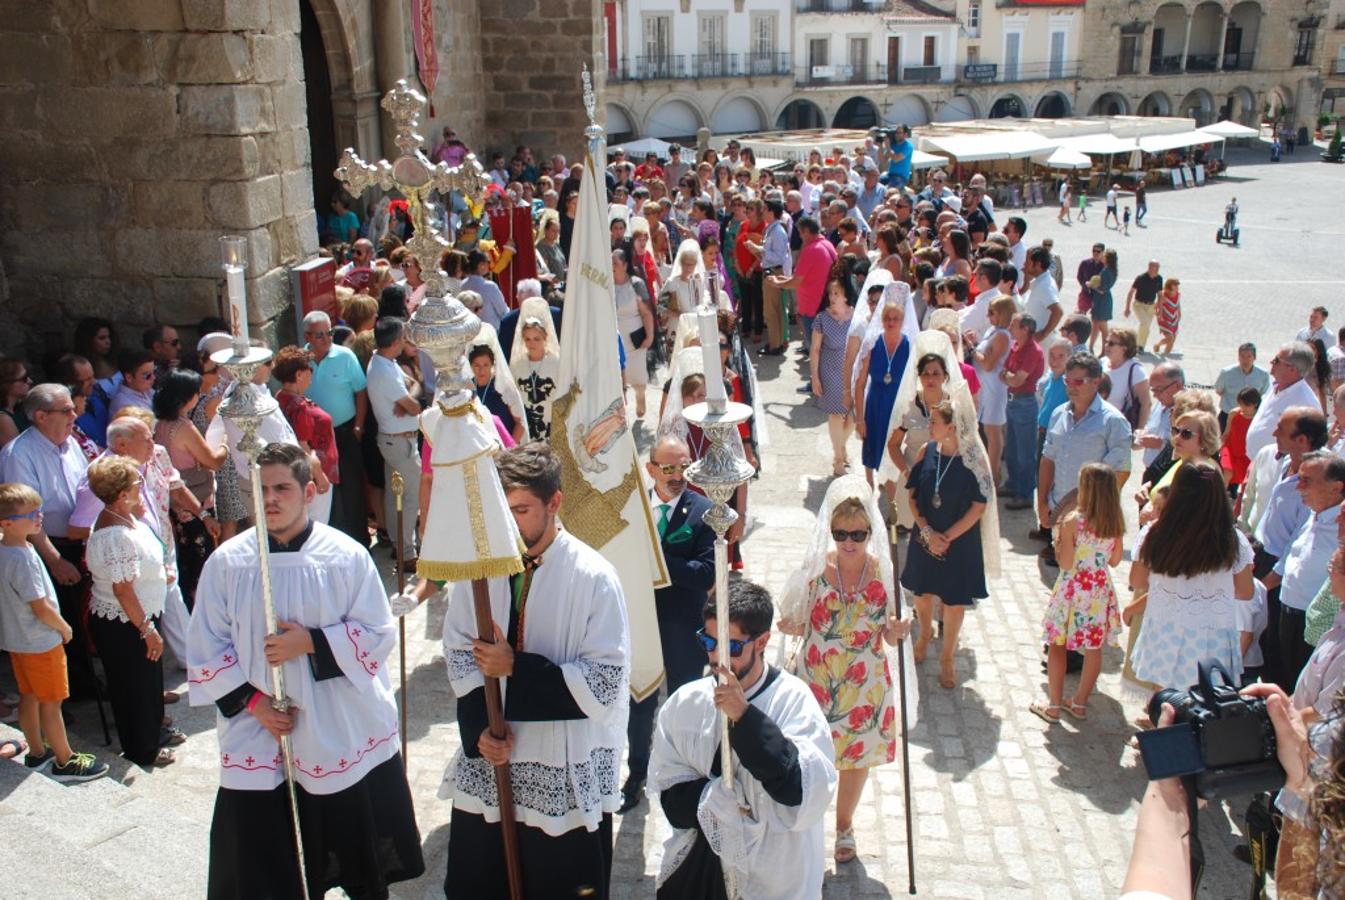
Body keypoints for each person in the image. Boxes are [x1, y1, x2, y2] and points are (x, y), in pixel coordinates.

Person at [188, 442, 423, 896]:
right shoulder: (228, 563)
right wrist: (254, 704)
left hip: (337, 725)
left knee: (352, 848)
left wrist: (311, 643)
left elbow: (377, 633)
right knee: (269, 862)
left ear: (309, 491)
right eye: (262, 490)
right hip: (260, 730)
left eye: (282, 488)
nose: (271, 499)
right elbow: (206, 647)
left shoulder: (346, 555)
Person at [442, 443, 629, 899]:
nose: (511, 523)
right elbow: (459, 654)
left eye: (522, 510)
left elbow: (605, 683)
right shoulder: (480, 572)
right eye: (503, 511)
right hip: (493, 765)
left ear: (555, 503)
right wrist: (482, 732)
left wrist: (516, 669)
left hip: (559, 768)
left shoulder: (594, 577)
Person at [648, 580, 837, 898]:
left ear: (762, 641)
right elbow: (671, 801)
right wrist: (718, 803)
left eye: (732, 647)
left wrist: (745, 718)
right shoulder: (684, 704)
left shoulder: (794, 702)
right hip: (702, 871)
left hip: (773, 877)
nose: (718, 656)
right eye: (708, 642)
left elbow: (799, 791)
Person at [778, 476, 912, 864]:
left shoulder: (883, 575)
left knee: (856, 760)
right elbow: (801, 622)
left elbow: (888, 634)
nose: (849, 542)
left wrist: (898, 631)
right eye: (840, 534)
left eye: (857, 534)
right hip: (817, 682)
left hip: (866, 684)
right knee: (814, 757)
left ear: (870, 533)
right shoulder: (817, 571)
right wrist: (791, 625)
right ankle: (808, 825)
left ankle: (845, 826)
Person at [620, 436, 716, 814]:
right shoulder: (635, 510)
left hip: (683, 625)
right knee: (639, 703)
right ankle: (637, 774)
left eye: (683, 467)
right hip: (640, 622)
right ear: (651, 469)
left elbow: (705, 572)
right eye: (669, 467)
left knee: (684, 701)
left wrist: (656, 562)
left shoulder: (703, 511)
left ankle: (685, 773)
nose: (677, 475)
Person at [0, 482, 108, 781]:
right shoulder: (22, 559)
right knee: (52, 702)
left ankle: (37, 752)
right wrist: (63, 627)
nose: (39, 517)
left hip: (18, 641)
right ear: (7, 523)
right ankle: (65, 760)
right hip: (41, 641)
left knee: (29, 695)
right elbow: (40, 606)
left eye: (39, 510)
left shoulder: (6, 548)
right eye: (31, 514)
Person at [900, 376, 1000, 690]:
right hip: (925, 537)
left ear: (952, 427)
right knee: (923, 593)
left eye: (935, 421)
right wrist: (928, 531)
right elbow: (913, 495)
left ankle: (947, 656)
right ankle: (924, 635)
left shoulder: (974, 461)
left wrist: (948, 537)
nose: (930, 426)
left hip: (960, 542)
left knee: (955, 602)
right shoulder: (927, 452)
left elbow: (979, 506)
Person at [1126, 460, 1255, 692]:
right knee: (1204, 709)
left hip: (1165, 630)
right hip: (1213, 635)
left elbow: (1136, 580)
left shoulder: (1154, 533)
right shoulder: (1233, 540)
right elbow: (1245, 592)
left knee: (1165, 704)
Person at [0, 385, 95, 695]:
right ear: (41, 416)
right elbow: (27, 516)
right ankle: (60, 697)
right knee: (56, 622)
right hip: (48, 546)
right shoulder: (19, 454)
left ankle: (83, 684)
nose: (74, 415)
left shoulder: (71, 444)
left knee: (82, 623)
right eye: (65, 410)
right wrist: (55, 560)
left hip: (80, 540)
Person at [84, 454, 174, 767]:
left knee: (149, 681)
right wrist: (147, 630)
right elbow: (122, 590)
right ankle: (142, 748)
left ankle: (154, 732)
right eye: (136, 481)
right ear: (122, 493)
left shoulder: (124, 516)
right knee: (132, 687)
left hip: (139, 615)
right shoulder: (114, 535)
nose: (140, 484)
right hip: (125, 623)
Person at [1032, 463, 1124, 723]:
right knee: (1094, 648)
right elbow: (1115, 560)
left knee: (1058, 644)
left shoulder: (1074, 521)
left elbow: (1065, 563)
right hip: (1099, 590)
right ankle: (1080, 703)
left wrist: (1059, 540)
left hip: (1072, 589)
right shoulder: (1114, 522)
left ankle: (1053, 705)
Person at [1036, 354, 1133, 567]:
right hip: (1058, 509)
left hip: (1092, 518)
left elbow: (1121, 472)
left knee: (1086, 581)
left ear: (1096, 382)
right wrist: (1042, 502)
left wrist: (1095, 507)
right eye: (1067, 381)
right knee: (1063, 576)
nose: (1071, 387)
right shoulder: (1057, 414)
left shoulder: (1114, 421)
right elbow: (1048, 459)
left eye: (1078, 381)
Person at [1260, 451, 1345, 689]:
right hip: (1287, 613)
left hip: (1317, 626)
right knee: (1282, 682)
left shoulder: (1341, 527)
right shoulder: (1312, 515)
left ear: (1336, 487)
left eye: (1307, 481)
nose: (1299, 487)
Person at [301, 310, 369, 543]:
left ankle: (359, 540)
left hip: (344, 431)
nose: (328, 338)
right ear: (308, 336)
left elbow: (361, 391)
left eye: (330, 333)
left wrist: (358, 427)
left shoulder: (345, 356)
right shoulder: (300, 361)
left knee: (352, 489)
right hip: (313, 438)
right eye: (320, 335)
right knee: (323, 490)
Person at [366, 317, 422, 562]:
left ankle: (398, 544)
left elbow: (415, 385)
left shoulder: (385, 362)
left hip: (394, 440)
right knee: (409, 497)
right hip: (399, 442)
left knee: (394, 495)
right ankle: (406, 553)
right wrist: (408, 402)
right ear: (397, 341)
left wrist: (407, 400)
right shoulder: (384, 370)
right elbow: (415, 406)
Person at [853, 288, 912, 488]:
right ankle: (870, 489)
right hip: (876, 403)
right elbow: (860, 385)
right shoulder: (872, 343)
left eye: (896, 318)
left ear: (902, 320)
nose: (891, 322)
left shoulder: (910, 346)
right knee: (870, 446)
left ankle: (892, 501)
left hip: (897, 405)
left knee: (893, 451)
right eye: (887, 318)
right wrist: (859, 419)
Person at [811, 274, 857, 476]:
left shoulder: (856, 316)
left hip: (852, 371)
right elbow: (815, 349)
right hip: (830, 371)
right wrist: (815, 376)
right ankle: (838, 459)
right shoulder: (822, 319)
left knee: (853, 417)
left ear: (846, 296)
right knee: (836, 415)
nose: (832, 296)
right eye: (830, 293)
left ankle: (840, 445)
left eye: (836, 293)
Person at [1245, 341, 1320, 460]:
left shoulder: (1306, 403)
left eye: (1277, 360)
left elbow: (1310, 447)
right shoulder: (1275, 385)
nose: (1271, 362)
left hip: (1277, 466)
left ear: (1292, 369)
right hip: (1256, 461)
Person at [1003, 313, 1045, 508]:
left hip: (1024, 403)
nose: (1010, 327)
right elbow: (1004, 374)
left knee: (1025, 452)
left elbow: (1017, 379)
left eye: (1014, 325)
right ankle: (1013, 484)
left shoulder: (1033, 351)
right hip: (1012, 401)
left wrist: (1008, 377)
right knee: (1011, 448)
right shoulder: (1016, 347)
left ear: (1025, 329)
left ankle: (1025, 493)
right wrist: (1009, 377)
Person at [508, 297, 562, 441]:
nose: (532, 343)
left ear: (545, 337)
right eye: (528, 339)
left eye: (536, 339)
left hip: (553, 424)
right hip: (526, 427)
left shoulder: (556, 362)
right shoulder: (517, 365)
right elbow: (511, 396)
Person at [613, 246, 655, 419]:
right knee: (617, 376)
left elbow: (646, 312)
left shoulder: (636, 284)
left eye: (615, 262)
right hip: (615, 339)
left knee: (638, 377)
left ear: (624, 264)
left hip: (635, 338)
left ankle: (640, 396)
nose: (611, 265)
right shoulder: (607, 285)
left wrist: (650, 336)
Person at [1214, 342, 1271, 429]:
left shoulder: (1263, 374)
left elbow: (1264, 393)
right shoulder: (1226, 373)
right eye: (1242, 356)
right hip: (1227, 415)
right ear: (1238, 357)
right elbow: (1219, 390)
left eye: (1249, 356)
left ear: (1254, 357)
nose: (1245, 360)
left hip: (1251, 417)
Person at [1124, 260, 1163, 350]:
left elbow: (1160, 295)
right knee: (1145, 323)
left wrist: (1159, 310)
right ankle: (1137, 344)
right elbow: (1131, 293)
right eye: (1155, 267)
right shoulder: (1141, 278)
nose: (1157, 269)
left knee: (1146, 327)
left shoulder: (1159, 278)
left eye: (1158, 267)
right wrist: (1127, 308)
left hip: (1151, 306)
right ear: (1149, 267)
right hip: (1139, 305)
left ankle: (1140, 346)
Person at [1086, 249, 1118, 354]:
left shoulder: (1106, 271)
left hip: (1102, 301)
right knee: (1095, 324)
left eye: (1104, 256)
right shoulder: (1112, 270)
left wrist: (1090, 285)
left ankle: (1105, 351)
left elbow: (1102, 290)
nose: (1102, 257)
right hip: (1103, 300)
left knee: (1103, 328)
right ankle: (1090, 347)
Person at [1153, 277, 1181, 356]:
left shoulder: (1178, 294)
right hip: (1164, 319)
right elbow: (1156, 306)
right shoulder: (1164, 295)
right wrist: (1158, 315)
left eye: (1177, 285)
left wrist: (1179, 314)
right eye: (1175, 285)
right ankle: (1161, 350)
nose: (1177, 287)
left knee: (1172, 340)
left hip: (1174, 319)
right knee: (1170, 338)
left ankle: (1163, 351)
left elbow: (1178, 305)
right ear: (1169, 286)